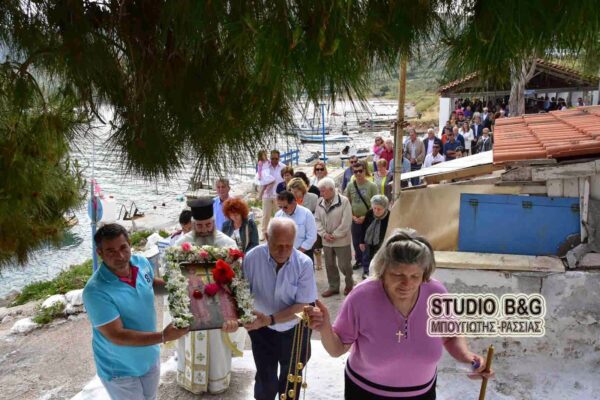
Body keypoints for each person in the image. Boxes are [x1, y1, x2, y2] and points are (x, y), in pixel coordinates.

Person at [305, 229, 491, 399]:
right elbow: (336, 349)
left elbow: (450, 336)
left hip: (422, 393)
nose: (407, 284)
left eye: (415, 276)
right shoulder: (362, 297)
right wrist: (325, 327)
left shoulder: (436, 295)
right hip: (367, 393)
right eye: (398, 275)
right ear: (383, 271)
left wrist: (467, 356)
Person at [83, 223, 189, 400]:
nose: (120, 256)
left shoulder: (141, 262)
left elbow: (150, 284)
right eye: (111, 251)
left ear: (129, 243)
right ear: (99, 253)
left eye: (123, 247)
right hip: (120, 369)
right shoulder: (95, 291)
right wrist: (164, 336)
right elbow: (117, 335)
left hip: (149, 356)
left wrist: (180, 286)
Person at [241, 218, 318, 400]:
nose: (283, 251)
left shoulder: (304, 263)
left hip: (294, 330)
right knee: (265, 379)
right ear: (267, 237)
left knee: (291, 379)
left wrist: (271, 319)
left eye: (288, 246)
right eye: (278, 245)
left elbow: (304, 306)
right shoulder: (252, 258)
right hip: (261, 329)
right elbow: (242, 294)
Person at [174, 197, 244, 394]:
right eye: (199, 226)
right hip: (192, 306)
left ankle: (217, 381)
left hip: (218, 306)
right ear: (193, 224)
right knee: (190, 339)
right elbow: (172, 277)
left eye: (208, 225)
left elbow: (237, 279)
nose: (204, 230)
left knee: (217, 343)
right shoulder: (181, 244)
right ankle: (191, 380)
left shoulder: (227, 243)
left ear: (213, 222)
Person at [314, 177, 354, 297]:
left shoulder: (344, 201)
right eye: (320, 191)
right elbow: (317, 220)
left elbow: (346, 222)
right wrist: (324, 234)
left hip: (342, 240)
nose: (321, 193)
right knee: (330, 265)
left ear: (331, 189)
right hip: (326, 240)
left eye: (323, 191)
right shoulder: (319, 202)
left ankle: (349, 285)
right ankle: (333, 287)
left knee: (344, 265)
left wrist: (335, 235)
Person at [345, 160, 378, 273]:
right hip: (355, 218)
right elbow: (347, 202)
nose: (358, 173)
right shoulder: (350, 185)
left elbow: (375, 204)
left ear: (365, 171)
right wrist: (352, 216)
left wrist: (365, 217)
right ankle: (358, 260)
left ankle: (366, 264)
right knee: (356, 242)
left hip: (368, 219)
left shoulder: (372, 186)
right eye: (355, 172)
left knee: (367, 242)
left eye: (360, 171)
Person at [274, 190, 317, 262]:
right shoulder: (278, 215)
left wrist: (298, 252)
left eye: (285, 207)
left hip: (304, 253)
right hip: (284, 254)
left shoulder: (306, 214)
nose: (283, 210)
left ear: (294, 203)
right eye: (280, 207)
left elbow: (312, 236)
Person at [359, 195, 391, 279]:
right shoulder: (369, 213)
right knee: (366, 257)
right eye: (374, 208)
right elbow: (363, 227)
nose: (376, 211)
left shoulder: (389, 216)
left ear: (385, 208)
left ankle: (377, 274)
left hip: (381, 242)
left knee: (379, 259)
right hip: (368, 241)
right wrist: (361, 242)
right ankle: (366, 272)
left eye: (379, 209)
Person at [257, 150, 286, 237]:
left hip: (279, 195)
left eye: (276, 158)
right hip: (267, 195)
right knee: (266, 215)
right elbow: (261, 178)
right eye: (272, 158)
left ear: (279, 158)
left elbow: (287, 179)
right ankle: (264, 232)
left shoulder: (283, 167)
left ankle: (279, 232)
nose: (274, 160)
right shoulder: (266, 166)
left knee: (280, 214)